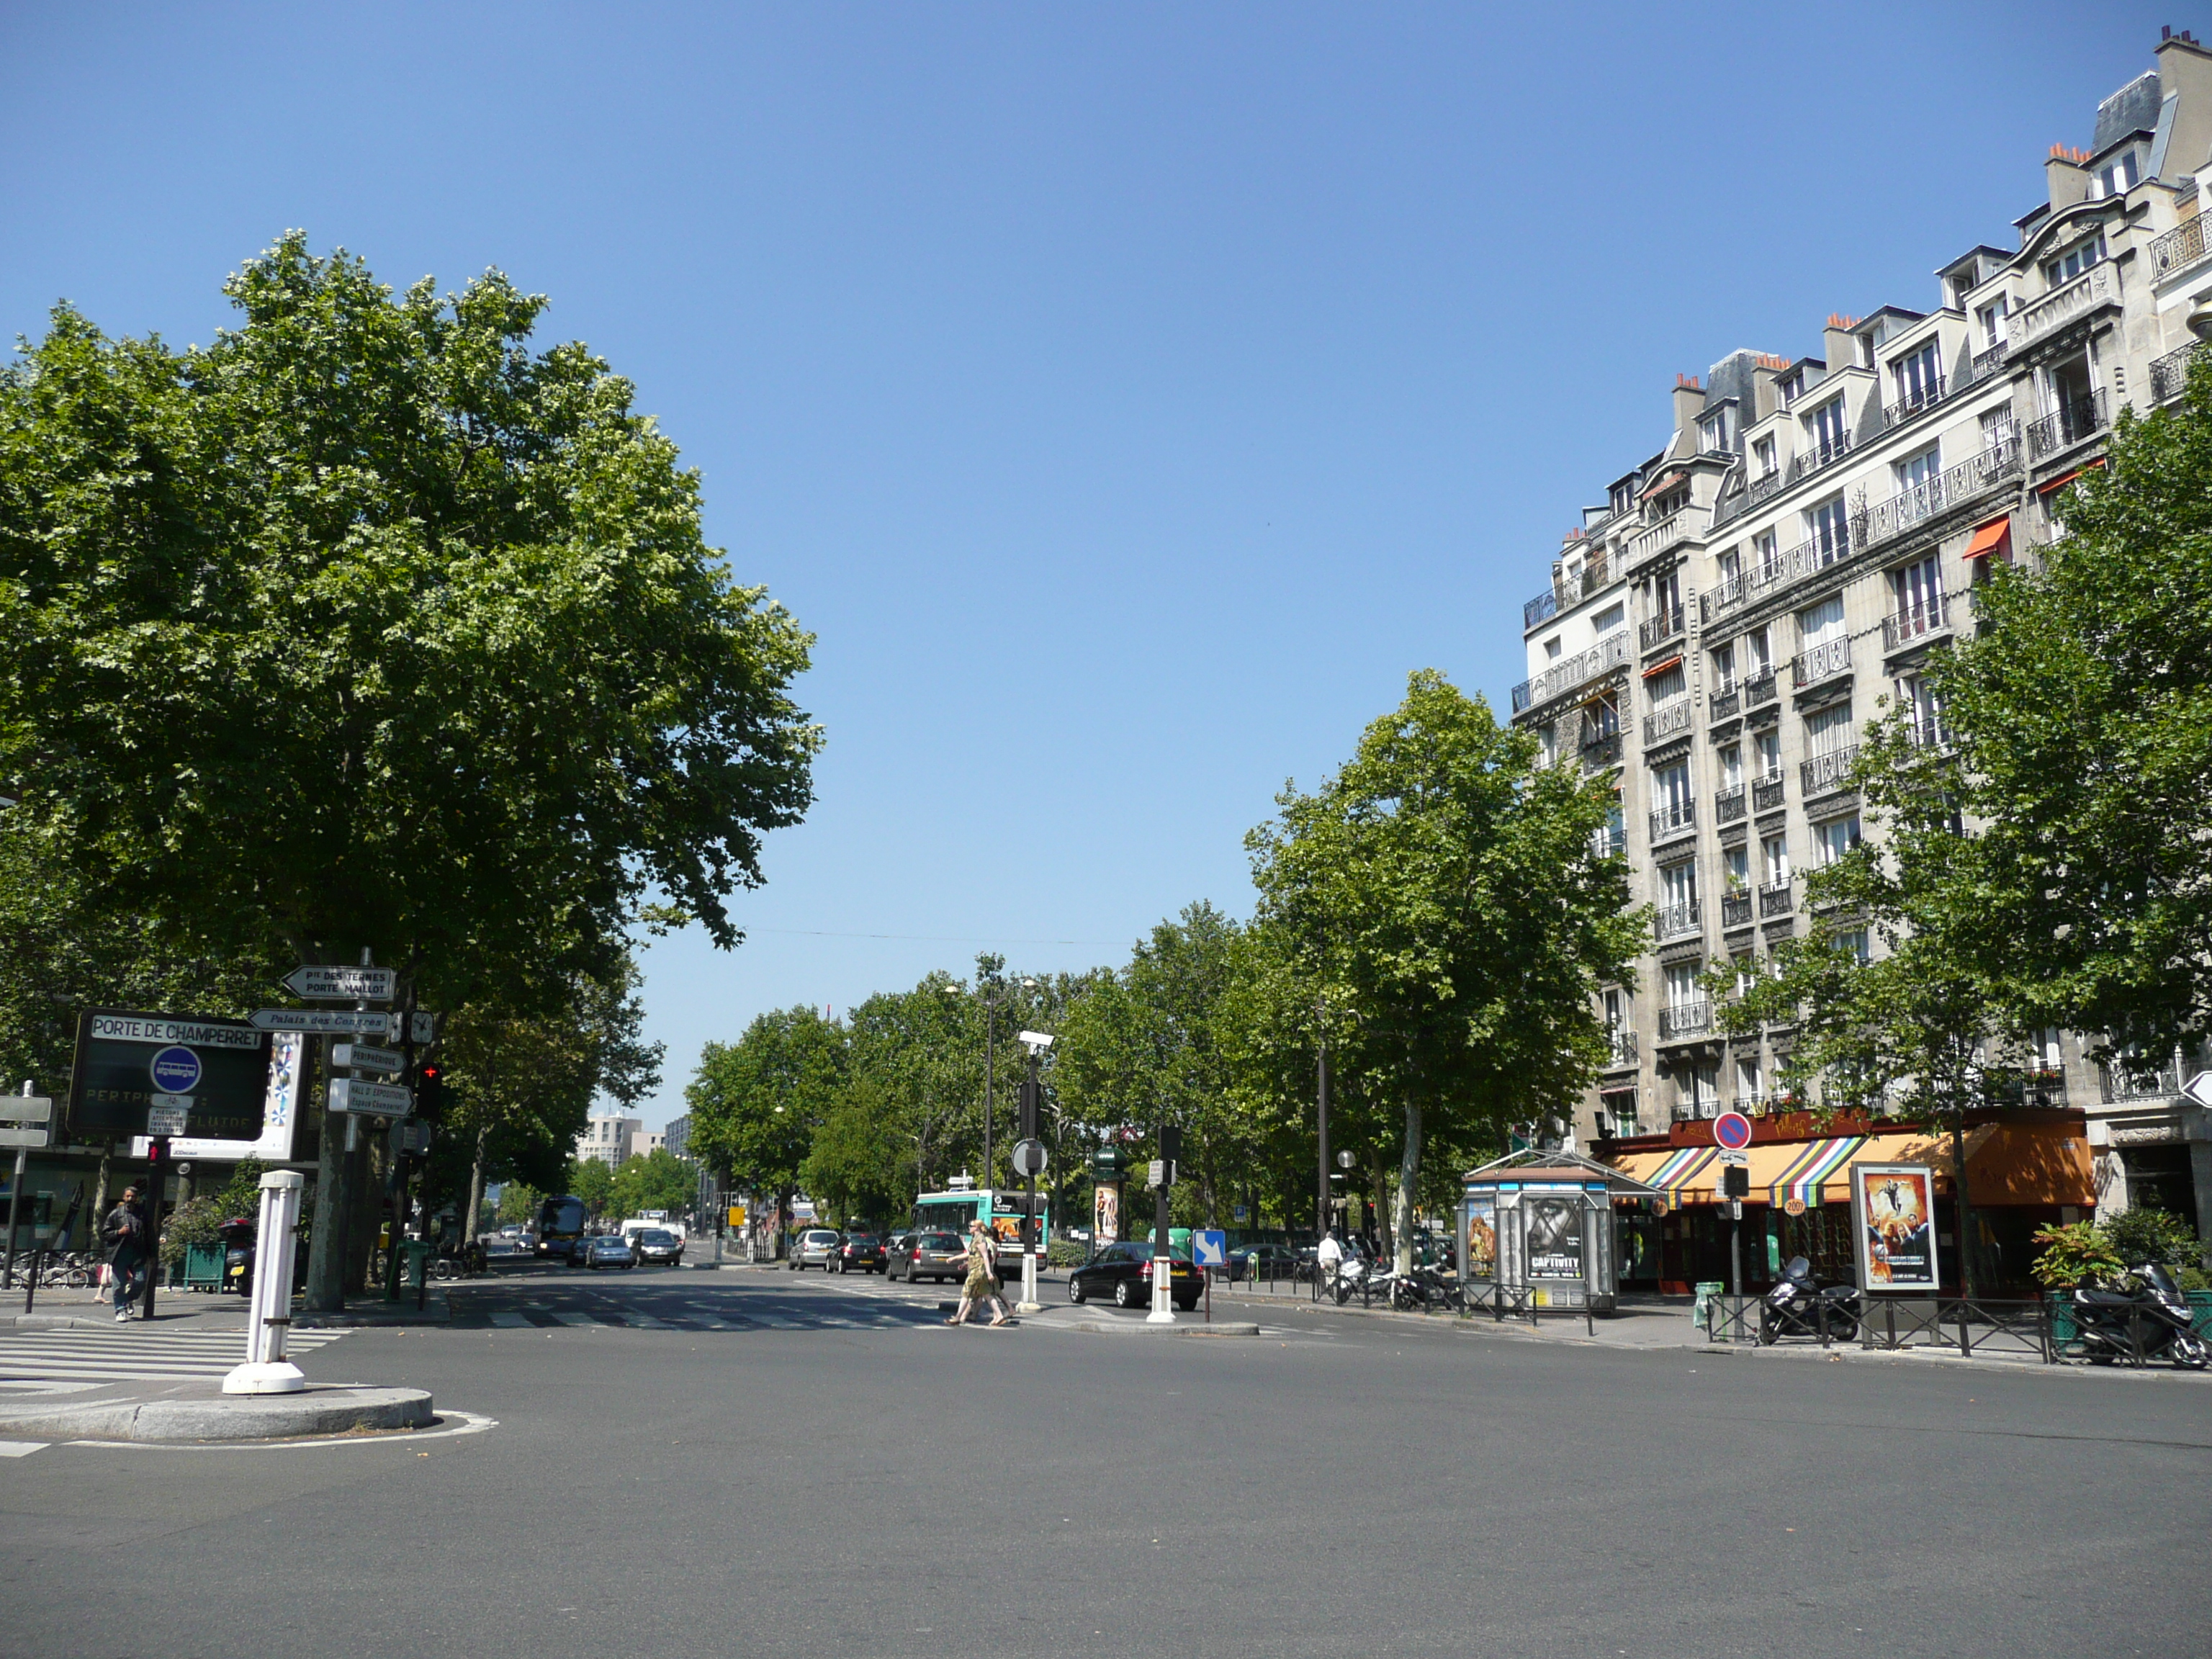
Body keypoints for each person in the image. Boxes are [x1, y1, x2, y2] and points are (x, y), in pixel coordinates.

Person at [946, 1219, 1010, 1328]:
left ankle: (958, 1317)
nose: (969, 1228)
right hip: (977, 1269)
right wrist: (955, 1259)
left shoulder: (980, 1239)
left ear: (977, 1227)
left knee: (966, 1292)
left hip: (978, 1270)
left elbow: (985, 1256)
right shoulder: (975, 1239)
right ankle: (999, 1316)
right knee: (987, 1294)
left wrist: (989, 1273)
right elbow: (971, 1255)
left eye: (971, 1226)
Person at [102, 1185, 147, 1323]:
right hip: (119, 1253)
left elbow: (149, 1233)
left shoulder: (142, 1214)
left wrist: (152, 1251)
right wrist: (118, 1232)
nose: (130, 1199)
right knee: (118, 1285)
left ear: (136, 1198)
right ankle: (120, 1310)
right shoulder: (116, 1214)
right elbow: (105, 1233)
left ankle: (127, 1300)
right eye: (127, 1196)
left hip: (137, 1253)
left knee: (140, 1280)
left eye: (132, 1197)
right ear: (123, 1197)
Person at [1316, 1227, 1345, 1292]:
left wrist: (1321, 1262)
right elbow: (1338, 1252)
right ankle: (1330, 1284)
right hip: (1332, 1261)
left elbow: (1320, 1253)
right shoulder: (1334, 1243)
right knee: (1334, 1275)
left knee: (1327, 1275)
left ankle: (1328, 1287)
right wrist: (1341, 1259)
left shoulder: (1322, 1243)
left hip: (1325, 1260)